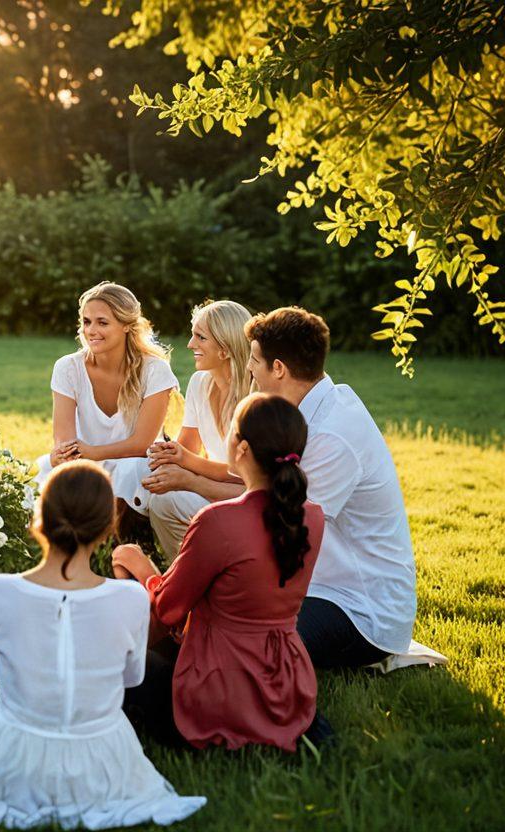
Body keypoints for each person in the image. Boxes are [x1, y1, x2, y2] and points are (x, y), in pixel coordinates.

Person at [0, 461, 205, 830]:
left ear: (40, 518)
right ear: (105, 529)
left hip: (20, 746)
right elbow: (131, 679)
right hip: (99, 756)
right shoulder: (130, 598)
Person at [115, 394, 325, 752]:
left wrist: (140, 567)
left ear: (241, 449)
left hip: (219, 685)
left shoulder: (219, 521)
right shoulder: (312, 516)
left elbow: (168, 610)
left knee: (112, 655)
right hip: (285, 679)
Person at [243, 307, 416, 668]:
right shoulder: (316, 407)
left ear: (279, 369)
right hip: (320, 587)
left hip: (359, 611)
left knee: (252, 647)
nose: (249, 371)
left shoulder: (332, 436)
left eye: (255, 361)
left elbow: (279, 525)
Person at [38, 283, 178, 513]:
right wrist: (69, 456)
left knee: (132, 470)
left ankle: (128, 539)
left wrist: (93, 453)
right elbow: (64, 442)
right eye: (86, 322)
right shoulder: (68, 367)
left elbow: (141, 444)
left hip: (135, 463)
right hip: (84, 462)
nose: (91, 330)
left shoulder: (155, 370)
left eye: (102, 322)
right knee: (45, 471)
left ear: (126, 325)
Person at [143, 300, 253, 560]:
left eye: (200, 337)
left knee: (168, 499)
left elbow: (247, 480)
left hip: (249, 500)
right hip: (217, 489)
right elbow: (187, 449)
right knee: (161, 496)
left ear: (225, 349)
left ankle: (207, 577)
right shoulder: (200, 383)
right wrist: (166, 455)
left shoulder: (255, 394)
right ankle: (188, 579)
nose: (191, 344)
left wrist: (189, 474)